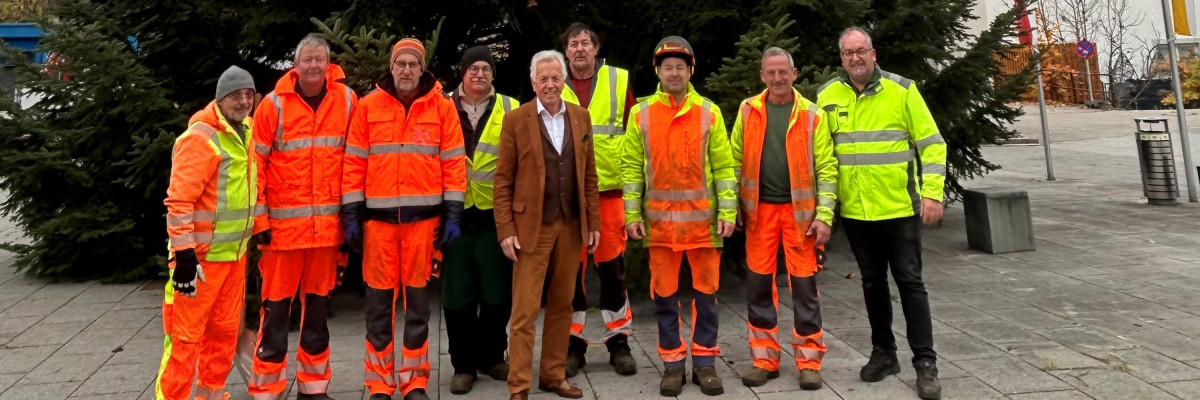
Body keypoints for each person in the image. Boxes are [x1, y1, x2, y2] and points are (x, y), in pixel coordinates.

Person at [816, 27, 947, 400]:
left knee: (910, 284)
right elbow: (822, 155)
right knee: (872, 284)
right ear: (841, 58)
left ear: (873, 53)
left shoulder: (901, 90)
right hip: (857, 212)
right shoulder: (827, 96)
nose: (855, 58)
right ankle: (884, 353)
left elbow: (932, 144)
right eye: (848, 53)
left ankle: (925, 363)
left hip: (899, 208)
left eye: (861, 50)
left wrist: (932, 194)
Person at [342, 37, 466, 400]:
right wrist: (351, 215)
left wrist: (453, 214)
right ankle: (379, 384)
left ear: (422, 69)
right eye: (401, 64)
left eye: (413, 64)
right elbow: (354, 162)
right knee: (378, 308)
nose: (406, 70)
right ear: (391, 67)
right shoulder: (368, 107)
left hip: (423, 227)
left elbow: (454, 163)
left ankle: (415, 381)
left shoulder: (441, 108)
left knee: (418, 308)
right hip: (378, 227)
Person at [621, 36, 737, 397]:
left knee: (706, 297)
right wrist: (631, 214)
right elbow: (631, 169)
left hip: (703, 227)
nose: (674, 73)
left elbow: (724, 168)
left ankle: (705, 364)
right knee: (665, 299)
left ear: (691, 70)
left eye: (680, 67)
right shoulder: (641, 114)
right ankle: (672, 366)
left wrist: (728, 211)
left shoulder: (708, 112)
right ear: (658, 71)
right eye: (667, 67)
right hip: (660, 229)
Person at [248, 34, 357, 400]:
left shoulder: (347, 100)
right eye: (307, 59)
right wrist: (259, 222)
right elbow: (254, 167)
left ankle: (313, 389)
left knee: (317, 317)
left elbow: (356, 162)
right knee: (275, 315)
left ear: (329, 64)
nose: (313, 65)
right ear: (295, 65)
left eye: (319, 59)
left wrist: (350, 221)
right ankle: (266, 389)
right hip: (282, 237)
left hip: (327, 235)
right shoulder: (273, 105)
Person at [493, 50, 600, 400]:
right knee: (524, 311)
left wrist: (593, 222)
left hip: (570, 224)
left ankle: (553, 375)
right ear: (533, 82)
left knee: (562, 305)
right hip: (531, 228)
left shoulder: (581, 117)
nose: (550, 84)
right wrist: (506, 230)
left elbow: (589, 176)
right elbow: (502, 180)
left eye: (556, 78)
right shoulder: (516, 120)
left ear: (564, 79)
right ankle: (519, 385)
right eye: (544, 79)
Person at [729, 47, 837, 391]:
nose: (777, 78)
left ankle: (809, 362)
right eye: (771, 73)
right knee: (759, 287)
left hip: (800, 217)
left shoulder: (811, 114)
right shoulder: (748, 110)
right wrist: (733, 206)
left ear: (794, 74)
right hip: (758, 214)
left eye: (783, 72)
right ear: (762, 76)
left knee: (804, 289)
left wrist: (824, 215)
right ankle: (764, 360)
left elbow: (827, 168)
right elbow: (733, 160)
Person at [157, 65, 258, 400]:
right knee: (184, 341)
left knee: (224, 337)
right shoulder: (200, 138)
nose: (243, 101)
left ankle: (211, 395)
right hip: (199, 263)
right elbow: (179, 202)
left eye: (248, 95)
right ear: (220, 99)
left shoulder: (246, 130)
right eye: (236, 95)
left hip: (233, 258)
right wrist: (185, 256)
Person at [558, 22, 638, 376]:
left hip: (610, 193)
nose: (579, 48)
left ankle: (618, 342)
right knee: (569, 274)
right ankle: (572, 345)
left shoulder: (618, 80)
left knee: (612, 272)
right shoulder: (553, 82)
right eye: (573, 43)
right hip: (568, 197)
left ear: (596, 48)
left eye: (585, 43)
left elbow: (634, 136)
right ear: (565, 52)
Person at [441, 45, 521, 395]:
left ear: (493, 74)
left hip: (495, 213)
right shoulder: (441, 105)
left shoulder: (511, 107)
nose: (479, 74)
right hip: (453, 213)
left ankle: (492, 356)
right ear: (462, 72)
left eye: (486, 69)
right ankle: (463, 365)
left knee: (496, 291)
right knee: (457, 293)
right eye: (473, 68)